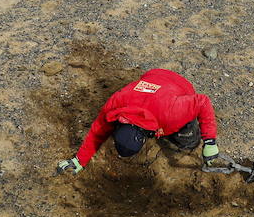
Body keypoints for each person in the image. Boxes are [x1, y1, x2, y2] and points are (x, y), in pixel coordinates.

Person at [57, 68, 220, 173]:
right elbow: (98, 130)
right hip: (151, 77)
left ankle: (185, 137)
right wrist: (79, 160)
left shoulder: (171, 112)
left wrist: (210, 141)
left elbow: (202, 102)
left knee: (188, 141)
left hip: (178, 85)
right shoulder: (116, 104)